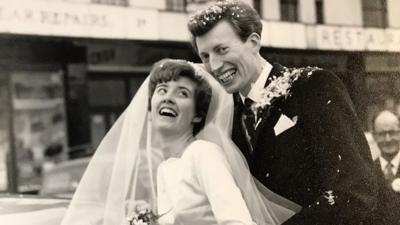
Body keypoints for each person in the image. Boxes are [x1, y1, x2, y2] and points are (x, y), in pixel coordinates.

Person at [187, 1, 379, 224]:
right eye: (205, 56)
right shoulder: (224, 117)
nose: (215, 65)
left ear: (253, 42)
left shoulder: (312, 86)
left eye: (222, 50)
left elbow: (356, 191)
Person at [61, 58, 298, 225]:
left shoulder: (203, 154)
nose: (169, 98)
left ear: (197, 115)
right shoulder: (166, 167)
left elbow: (237, 221)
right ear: (150, 111)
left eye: (182, 93)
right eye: (162, 90)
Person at [372, 110, 400, 225]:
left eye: (392, 132)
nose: (388, 139)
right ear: (374, 136)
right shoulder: (367, 171)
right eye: (382, 134)